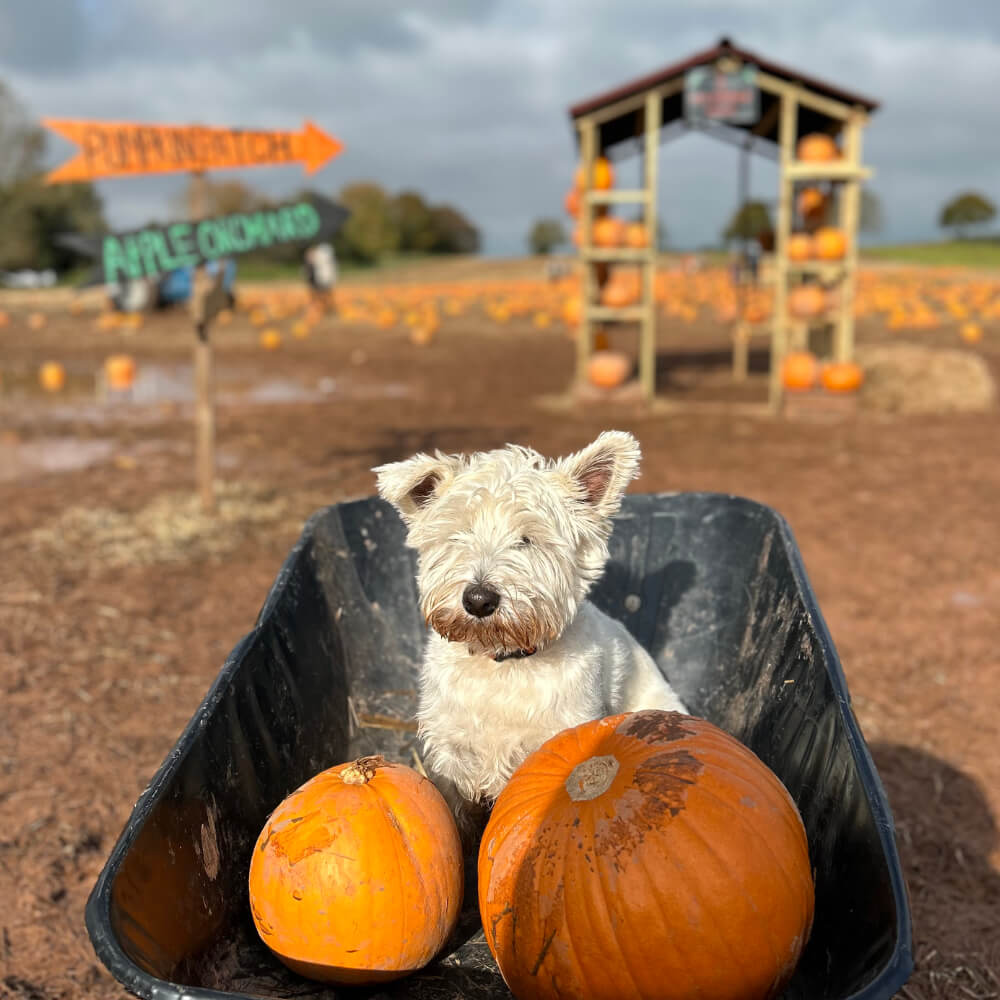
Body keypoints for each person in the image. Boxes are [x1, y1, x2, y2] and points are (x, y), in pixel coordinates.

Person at [305, 242, 337, 313]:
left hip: (322, 277)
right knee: (320, 294)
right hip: (320, 277)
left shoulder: (321, 254)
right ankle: (322, 307)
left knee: (323, 293)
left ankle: (325, 307)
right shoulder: (323, 253)